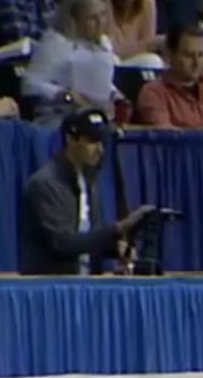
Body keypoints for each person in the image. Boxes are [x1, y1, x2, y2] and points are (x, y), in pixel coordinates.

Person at [18, 108, 156, 275]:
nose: (100, 150)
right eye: (92, 142)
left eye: (102, 142)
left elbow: (88, 238)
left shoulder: (89, 180)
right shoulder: (45, 184)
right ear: (70, 139)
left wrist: (114, 248)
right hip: (53, 289)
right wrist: (119, 228)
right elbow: (63, 243)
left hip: (87, 286)